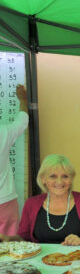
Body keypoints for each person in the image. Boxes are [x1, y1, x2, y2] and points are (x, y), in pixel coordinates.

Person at [0, 154, 80, 245]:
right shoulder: (31, 204)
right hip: (40, 261)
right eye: (53, 176)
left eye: (65, 176)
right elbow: (24, 238)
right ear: (43, 179)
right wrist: (9, 239)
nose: (59, 182)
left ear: (71, 178)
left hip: (78, 259)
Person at [0, 84, 28, 235]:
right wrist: (23, 99)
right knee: (10, 249)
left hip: (5, 200)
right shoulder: (3, 133)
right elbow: (22, 121)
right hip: (5, 200)